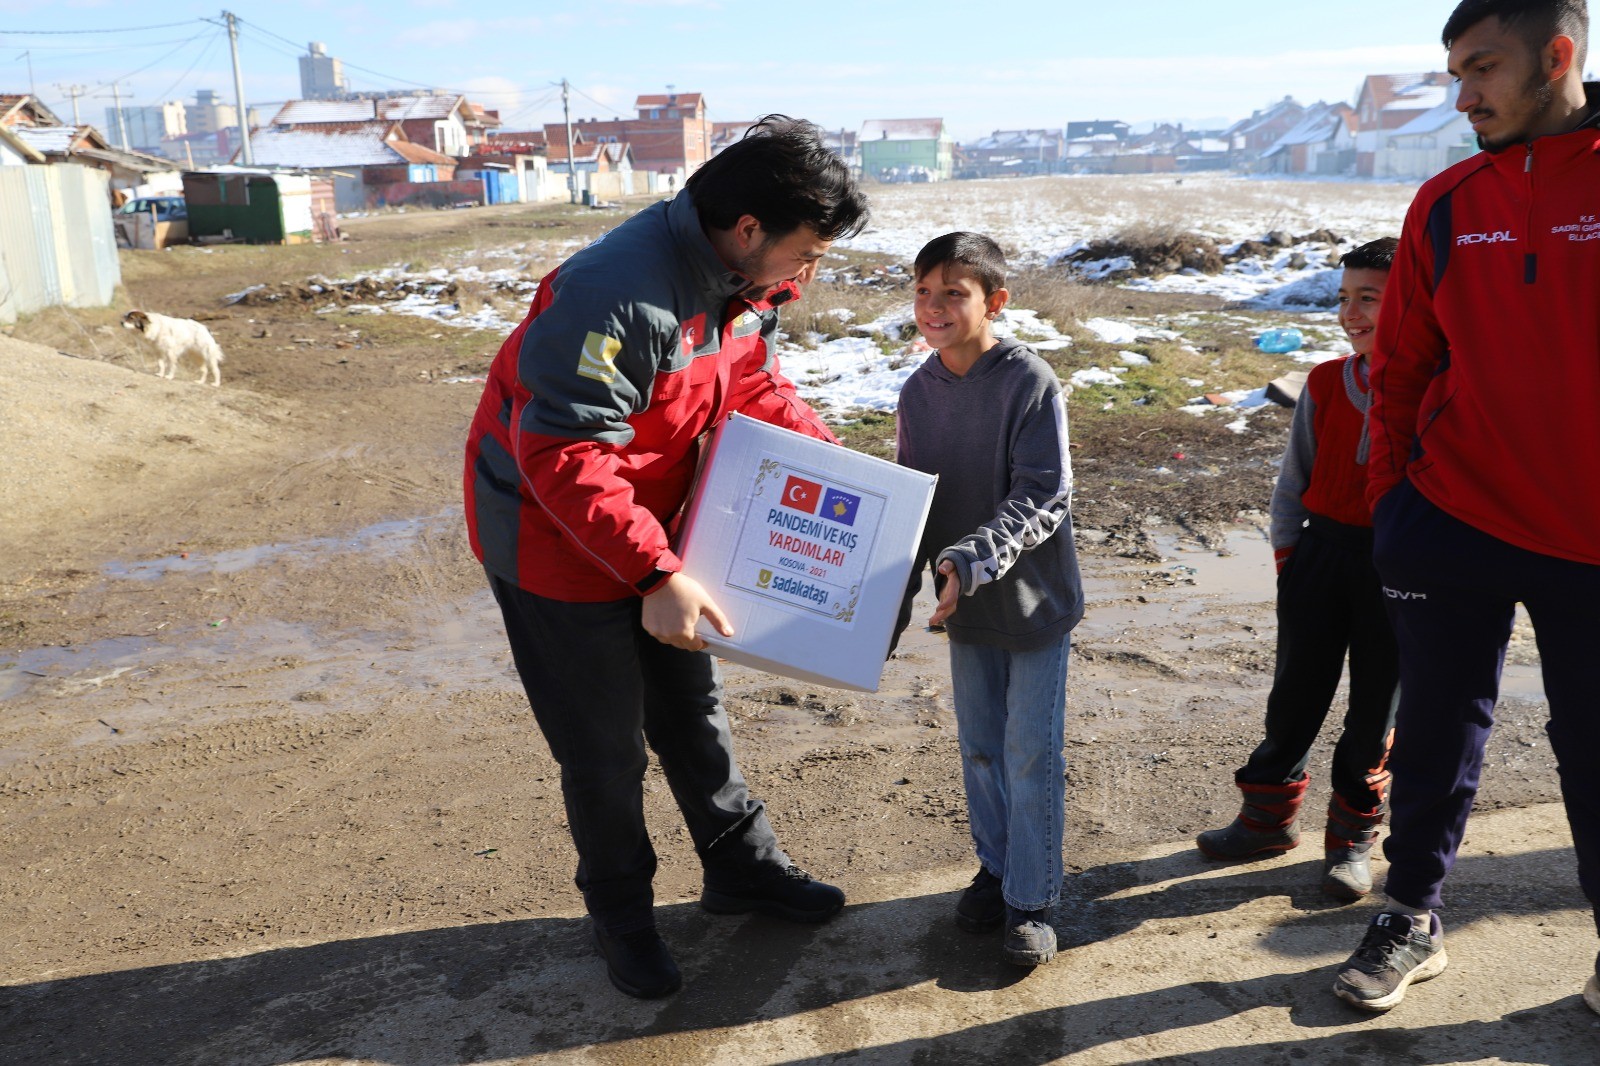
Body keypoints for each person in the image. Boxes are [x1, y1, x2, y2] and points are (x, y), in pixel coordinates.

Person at [462, 116, 870, 1000]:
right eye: (807, 251)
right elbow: (562, 453)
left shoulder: (740, 278)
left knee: (690, 705)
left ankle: (742, 870)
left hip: (658, 525)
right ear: (750, 227)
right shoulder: (617, 293)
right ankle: (621, 914)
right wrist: (653, 573)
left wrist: (840, 471)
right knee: (604, 746)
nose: (810, 273)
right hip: (553, 537)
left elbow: (753, 381)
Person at [1331, 0, 1600, 1014]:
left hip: (1591, 538)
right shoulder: (1445, 201)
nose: (1462, 94)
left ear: (1558, 54)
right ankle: (1410, 914)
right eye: (1454, 69)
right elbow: (1400, 367)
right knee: (1437, 731)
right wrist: (1392, 501)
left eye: (1483, 67)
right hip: (1452, 521)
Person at [893, 232, 1083, 966]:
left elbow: (1044, 494)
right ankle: (998, 867)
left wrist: (970, 559)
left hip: (1033, 608)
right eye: (922, 292)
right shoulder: (917, 392)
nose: (933, 307)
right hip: (964, 608)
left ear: (994, 301)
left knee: (1030, 752)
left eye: (953, 293)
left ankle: (1031, 900)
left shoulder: (1028, 382)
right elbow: (914, 503)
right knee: (980, 749)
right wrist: (884, 597)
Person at [1197, 239, 1402, 902]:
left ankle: (1350, 840)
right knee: (1295, 696)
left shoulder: (1435, 387)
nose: (1350, 313)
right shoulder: (1321, 383)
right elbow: (1295, 481)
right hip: (1321, 556)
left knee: (1376, 710)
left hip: (1397, 571)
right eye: (1344, 298)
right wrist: (1291, 559)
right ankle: (1266, 821)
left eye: (1367, 298)